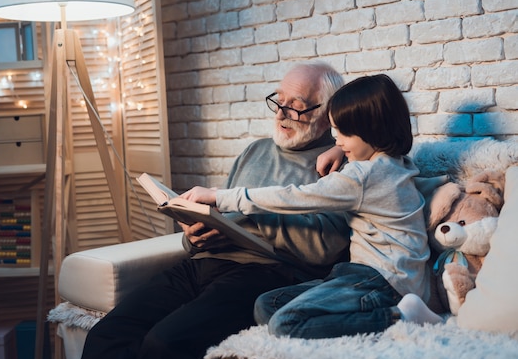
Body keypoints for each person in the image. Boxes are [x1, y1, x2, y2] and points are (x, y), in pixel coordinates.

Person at [78, 62, 352, 359]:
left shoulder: (340, 165)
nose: (280, 113)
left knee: (165, 342)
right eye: (278, 100)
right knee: (107, 335)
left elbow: (326, 247)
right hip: (202, 263)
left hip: (266, 274)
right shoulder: (255, 150)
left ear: (328, 115)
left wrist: (251, 218)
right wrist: (195, 237)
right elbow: (224, 212)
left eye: (296, 107)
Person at [183, 74, 443, 340]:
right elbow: (368, 160)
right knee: (265, 306)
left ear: (372, 130)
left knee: (285, 323)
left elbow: (294, 197)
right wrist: (342, 150)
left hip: (384, 280)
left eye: (343, 133)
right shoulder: (395, 164)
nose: (335, 139)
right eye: (334, 130)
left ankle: (401, 317)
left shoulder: (363, 177)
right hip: (364, 274)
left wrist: (221, 196)